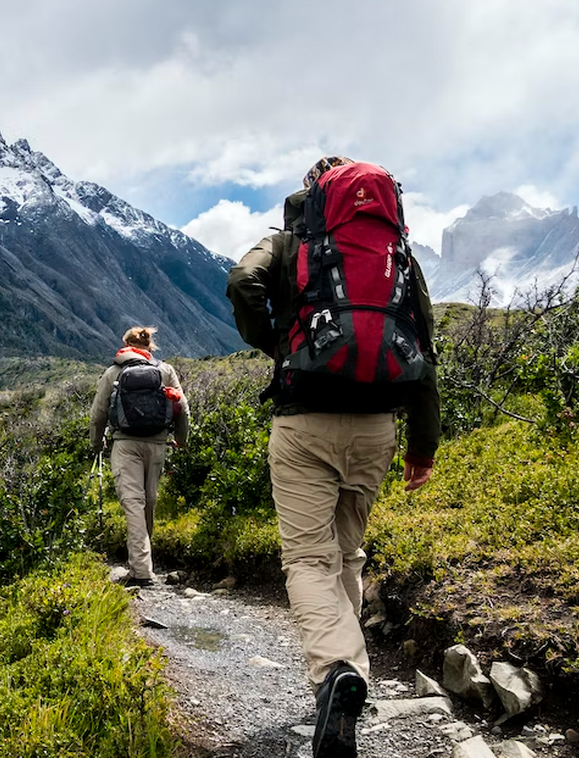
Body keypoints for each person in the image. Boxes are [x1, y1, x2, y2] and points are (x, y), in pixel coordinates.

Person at [225, 157, 440, 758]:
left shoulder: (292, 241)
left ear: (315, 193)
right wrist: (422, 445)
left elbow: (243, 282)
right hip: (378, 427)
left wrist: (276, 341)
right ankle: (350, 679)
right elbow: (422, 346)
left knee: (308, 560)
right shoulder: (397, 255)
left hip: (305, 423)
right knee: (347, 551)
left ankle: (336, 673)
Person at [89, 326, 189, 587]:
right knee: (149, 501)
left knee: (133, 503)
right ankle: (143, 562)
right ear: (149, 346)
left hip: (125, 445)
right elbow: (183, 408)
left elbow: (98, 414)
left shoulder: (113, 372)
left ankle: (142, 571)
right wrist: (181, 439)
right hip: (157, 444)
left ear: (125, 345)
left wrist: (97, 444)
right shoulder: (165, 370)